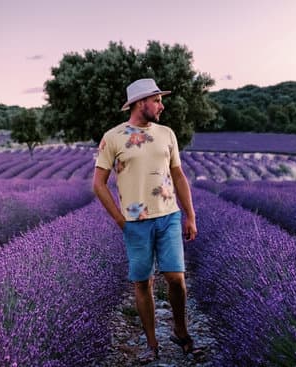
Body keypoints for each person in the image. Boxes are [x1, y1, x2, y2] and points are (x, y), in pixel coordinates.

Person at [92, 78, 205, 362]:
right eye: (157, 100)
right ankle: (152, 344)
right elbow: (98, 184)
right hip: (135, 222)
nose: (161, 105)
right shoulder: (113, 137)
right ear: (141, 103)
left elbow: (178, 175)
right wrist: (121, 220)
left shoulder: (167, 134)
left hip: (169, 216)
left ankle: (181, 331)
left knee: (176, 279)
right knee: (143, 283)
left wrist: (190, 215)